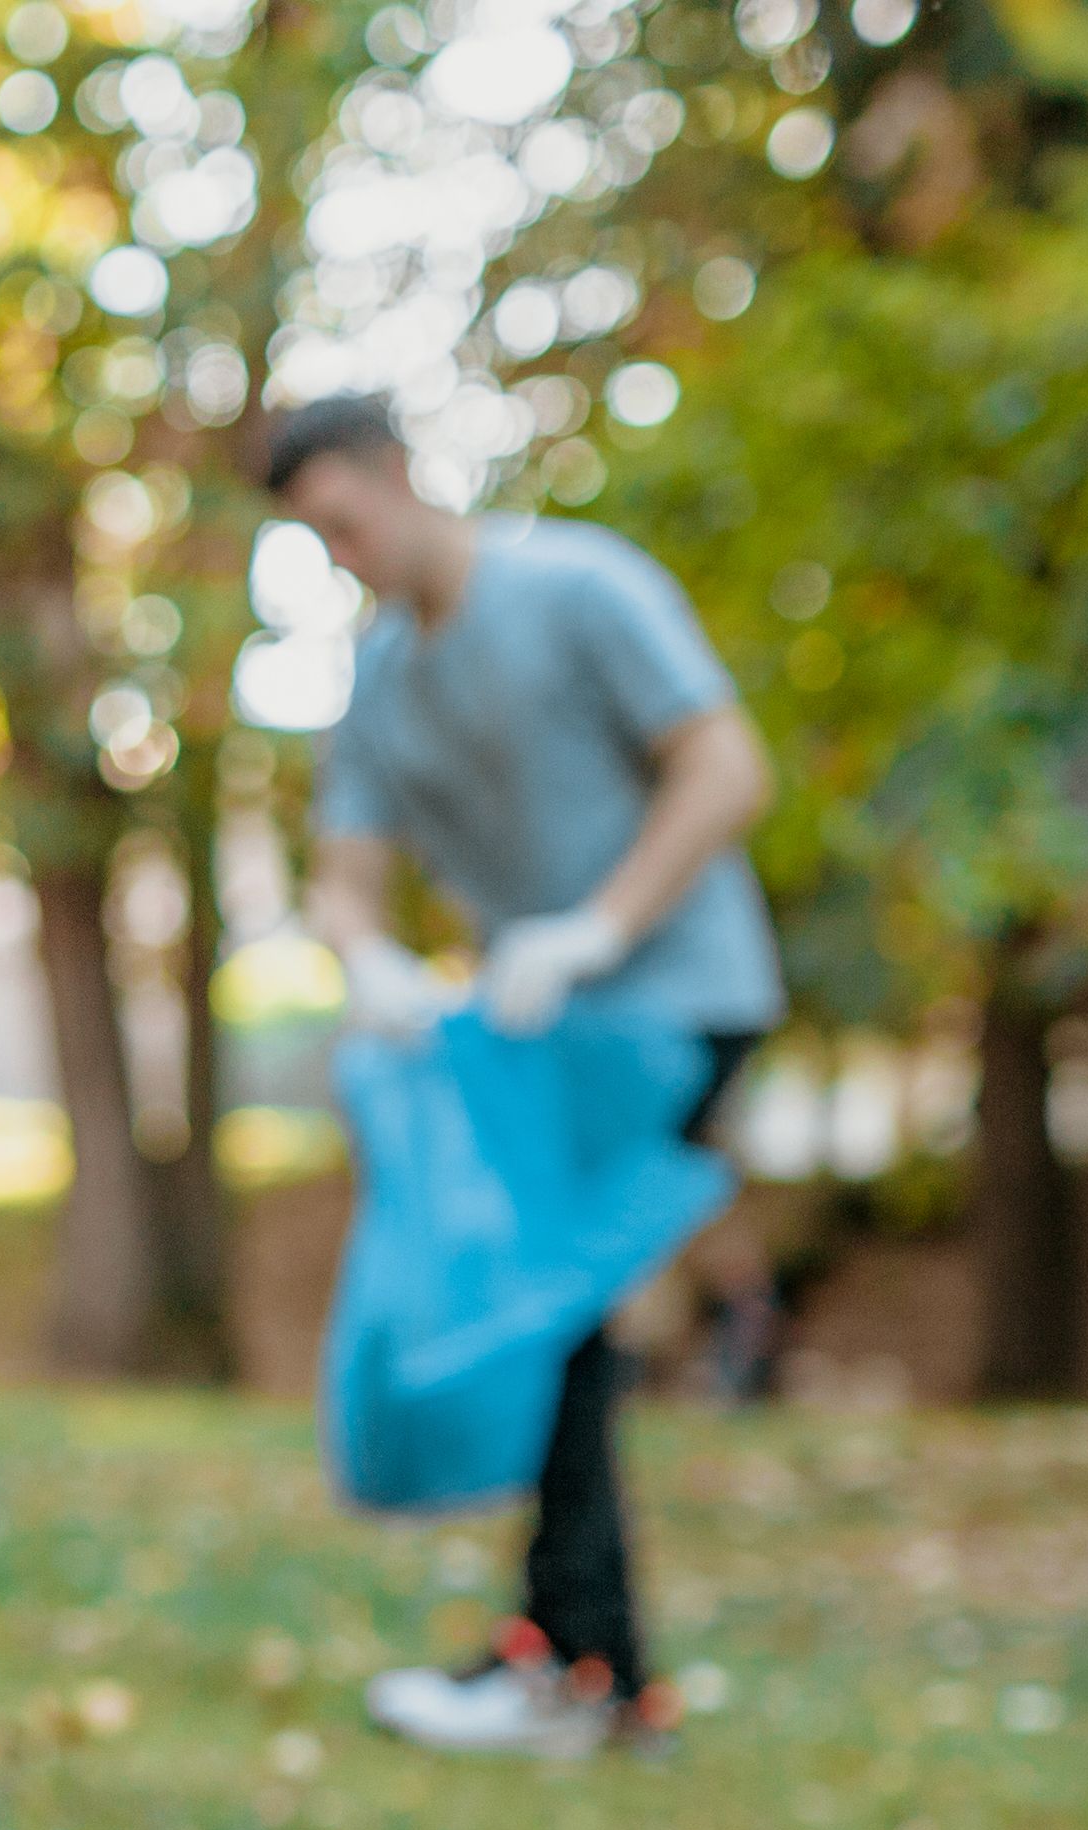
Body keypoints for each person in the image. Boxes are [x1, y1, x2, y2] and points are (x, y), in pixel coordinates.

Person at [267, 390, 785, 1759]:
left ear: (394, 474)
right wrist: (367, 959)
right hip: (537, 1032)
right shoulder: (381, 680)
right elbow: (342, 877)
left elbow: (726, 767)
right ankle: (572, 1656)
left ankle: (580, 1668)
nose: (342, 556)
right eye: (312, 542)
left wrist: (601, 923)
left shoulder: (576, 588)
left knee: (551, 1307)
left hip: (677, 998)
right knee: (549, 1317)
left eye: (341, 521)